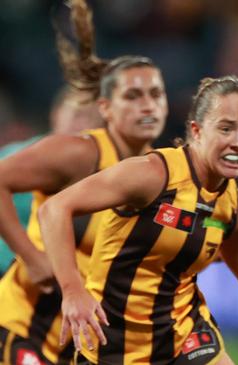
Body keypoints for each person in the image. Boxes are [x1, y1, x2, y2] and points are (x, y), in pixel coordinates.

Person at [39, 75, 238, 365]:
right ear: (196, 130)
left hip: (186, 339)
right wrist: (73, 291)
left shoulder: (235, 209)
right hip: (113, 348)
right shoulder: (152, 175)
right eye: (226, 128)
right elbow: (54, 210)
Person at [0, 0, 168, 363]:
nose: (147, 107)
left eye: (156, 95)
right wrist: (29, 258)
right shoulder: (80, 154)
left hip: (86, 341)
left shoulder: (158, 172)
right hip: (30, 325)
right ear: (108, 110)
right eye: (134, 96)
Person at [0, 86, 103, 277]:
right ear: (56, 114)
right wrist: (31, 257)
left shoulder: (99, 169)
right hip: (9, 265)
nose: (83, 123)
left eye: (92, 118)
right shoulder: (17, 155)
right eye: (77, 113)